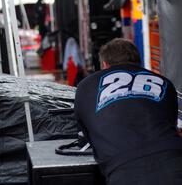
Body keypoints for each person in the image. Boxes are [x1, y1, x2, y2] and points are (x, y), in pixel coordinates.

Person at [74, 38, 182, 185]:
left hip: (124, 169)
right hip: (174, 160)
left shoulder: (85, 86)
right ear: (139, 63)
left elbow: (86, 135)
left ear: (105, 65)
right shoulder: (165, 83)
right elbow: (171, 124)